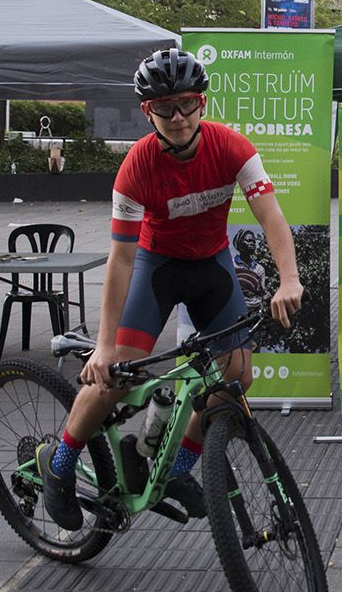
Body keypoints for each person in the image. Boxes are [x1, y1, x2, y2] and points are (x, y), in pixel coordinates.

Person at [36, 48, 303, 530]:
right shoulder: (136, 167)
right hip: (156, 269)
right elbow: (121, 260)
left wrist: (290, 279)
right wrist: (103, 345)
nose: (178, 117)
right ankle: (59, 465)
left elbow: (272, 217)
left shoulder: (232, 147)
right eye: (164, 108)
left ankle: (177, 469)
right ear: (148, 111)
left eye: (186, 104)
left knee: (235, 380)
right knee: (114, 377)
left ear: (201, 103)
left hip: (211, 267)